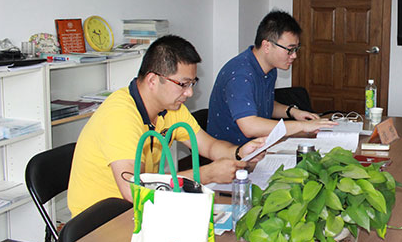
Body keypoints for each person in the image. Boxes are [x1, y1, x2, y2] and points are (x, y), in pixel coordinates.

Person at [68, 35, 264, 217]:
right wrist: (206, 174)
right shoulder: (120, 115)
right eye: (183, 84)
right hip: (103, 220)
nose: (189, 93)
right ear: (153, 80)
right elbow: (133, 189)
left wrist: (239, 152)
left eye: (192, 83)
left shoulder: (171, 107)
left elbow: (209, 146)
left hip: (145, 206)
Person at [208, 10, 335, 145]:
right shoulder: (240, 75)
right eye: (290, 49)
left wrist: (292, 112)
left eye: (296, 49)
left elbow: (262, 104)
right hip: (233, 151)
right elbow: (250, 126)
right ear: (267, 46)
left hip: (259, 145)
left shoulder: (269, 68)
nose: (294, 56)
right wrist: (302, 126)